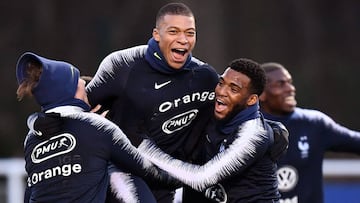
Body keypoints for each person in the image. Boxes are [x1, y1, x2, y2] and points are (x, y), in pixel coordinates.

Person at [85, 2, 219, 202]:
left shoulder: (205, 76)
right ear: (157, 34)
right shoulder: (121, 65)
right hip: (122, 172)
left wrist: (271, 127)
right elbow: (77, 106)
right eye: (174, 31)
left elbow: (236, 107)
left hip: (166, 178)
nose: (183, 40)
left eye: (190, 33)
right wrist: (43, 122)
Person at [15, 52, 171, 203]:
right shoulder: (96, 127)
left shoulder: (32, 137)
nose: (85, 85)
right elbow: (151, 172)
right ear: (70, 92)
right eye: (79, 81)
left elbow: (30, 194)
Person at [139, 58, 285, 202]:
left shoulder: (253, 136)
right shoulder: (214, 109)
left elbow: (202, 178)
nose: (221, 92)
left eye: (233, 89)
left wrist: (145, 148)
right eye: (221, 83)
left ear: (251, 100)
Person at [259, 62, 360, 203]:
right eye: (280, 84)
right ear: (261, 94)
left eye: (290, 83)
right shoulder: (245, 128)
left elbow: (356, 142)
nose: (290, 89)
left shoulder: (313, 123)